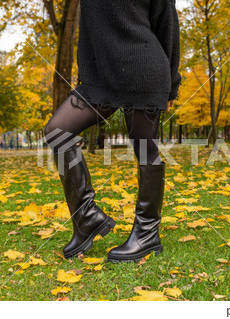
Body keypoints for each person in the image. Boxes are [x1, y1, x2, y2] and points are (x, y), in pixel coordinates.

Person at [44, 0, 181, 262]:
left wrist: (172, 84)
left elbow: (168, 26)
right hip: (100, 77)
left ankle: (147, 234)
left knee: (145, 150)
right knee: (57, 130)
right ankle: (86, 217)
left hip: (144, 70)